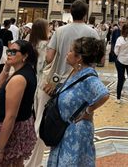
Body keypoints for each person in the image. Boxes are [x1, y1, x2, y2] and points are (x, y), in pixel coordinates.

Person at [47, 37, 109, 167]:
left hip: (76, 132)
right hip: (65, 129)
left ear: (79, 57)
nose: (67, 54)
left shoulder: (88, 76)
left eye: (70, 51)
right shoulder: (76, 72)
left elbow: (104, 94)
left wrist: (88, 111)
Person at [0, 40, 37, 166]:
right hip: (20, 126)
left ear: (25, 55)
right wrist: (7, 66)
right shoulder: (26, 70)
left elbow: (11, 116)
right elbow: (0, 85)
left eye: (13, 51)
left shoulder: (18, 79)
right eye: (8, 51)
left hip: (9, 131)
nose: (9, 54)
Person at [45, 0, 100, 91]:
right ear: (85, 14)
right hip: (83, 80)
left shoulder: (59, 31)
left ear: (71, 12)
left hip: (60, 81)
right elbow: (99, 59)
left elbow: (49, 58)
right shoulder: (92, 32)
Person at [25, 19, 50, 167]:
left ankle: (29, 159)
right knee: (40, 123)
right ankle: (33, 162)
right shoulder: (46, 45)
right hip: (42, 87)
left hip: (28, 85)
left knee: (32, 120)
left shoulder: (29, 45)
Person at [114, 23, 128, 103]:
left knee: (120, 79)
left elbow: (116, 51)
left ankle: (118, 98)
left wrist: (120, 54)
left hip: (121, 60)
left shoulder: (119, 39)